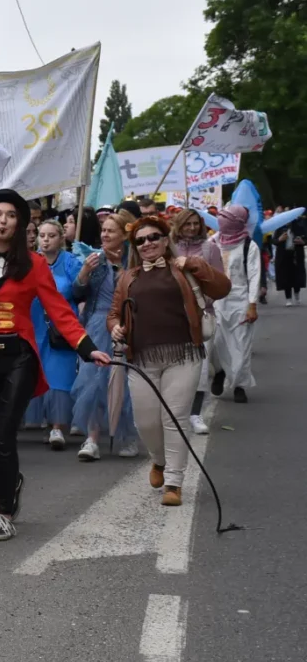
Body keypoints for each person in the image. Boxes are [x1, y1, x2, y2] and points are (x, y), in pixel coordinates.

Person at [0, 189, 108, 542]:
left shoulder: (34, 265)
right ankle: (12, 476)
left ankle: (4, 512)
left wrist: (87, 348)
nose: (2, 220)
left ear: (19, 223)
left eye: (10, 215)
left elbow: (59, 311)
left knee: (4, 432)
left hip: (18, 356)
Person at [110, 216, 230, 506]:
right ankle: (159, 461)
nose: (147, 243)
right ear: (136, 247)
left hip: (183, 355)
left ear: (166, 241)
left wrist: (194, 264)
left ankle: (174, 483)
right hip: (141, 358)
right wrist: (114, 326)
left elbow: (223, 288)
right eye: (140, 240)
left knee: (175, 419)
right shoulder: (128, 277)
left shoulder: (184, 268)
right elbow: (114, 313)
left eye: (154, 237)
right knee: (146, 422)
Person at [70, 209, 138, 460]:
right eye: (103, 230)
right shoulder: (94, 259)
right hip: (97, 325)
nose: (105, 234)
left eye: (110, 230)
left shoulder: (135, 260)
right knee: (92, 381)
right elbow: (78, 293)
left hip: (128, 325)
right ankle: (92, 439)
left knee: (125, 383)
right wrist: (84, 273)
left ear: (123, 235)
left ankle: (126, 436)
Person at [29, 220, 83, 449]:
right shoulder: (29, 262)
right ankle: (37, 418)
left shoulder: (71, 262)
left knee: (59, 375)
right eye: (42, 235)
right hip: (34, 325)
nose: (46, 239)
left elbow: (80, 290)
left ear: (61, 238)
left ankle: (57, 427)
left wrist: (86, 273)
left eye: (52, 235)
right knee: (34, 371)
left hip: (61, 327)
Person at [171, 208, 223, 434]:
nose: (192, 228)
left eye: (195, 223)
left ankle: (196, 413)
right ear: (179, 225)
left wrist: (200, 301)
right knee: (176, 367)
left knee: (200, 368)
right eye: (187, 224)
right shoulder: (169, 249)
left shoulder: (209, 249)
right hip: (173, 316)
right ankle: (176, 412)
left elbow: (219, 281)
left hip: (202, 316)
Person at [209, 204, 261, 403]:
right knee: (215, 343)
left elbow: (255, 275)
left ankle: (240, 385)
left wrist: (252, 304)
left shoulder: (250, 246)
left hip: (240, 301)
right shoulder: (214, 241)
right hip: (215, 302)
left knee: (241, 345)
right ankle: (220, 372)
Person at [273, 212, 306, 306]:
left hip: (296, 255)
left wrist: (302, 241)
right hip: (284, 255)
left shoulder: (299, 227)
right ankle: (288, 298)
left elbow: (305, 238)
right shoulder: (280, 229)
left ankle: (297, 293)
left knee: (297, 276)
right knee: (285, 276)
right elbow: (274, 240)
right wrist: (279, 240)